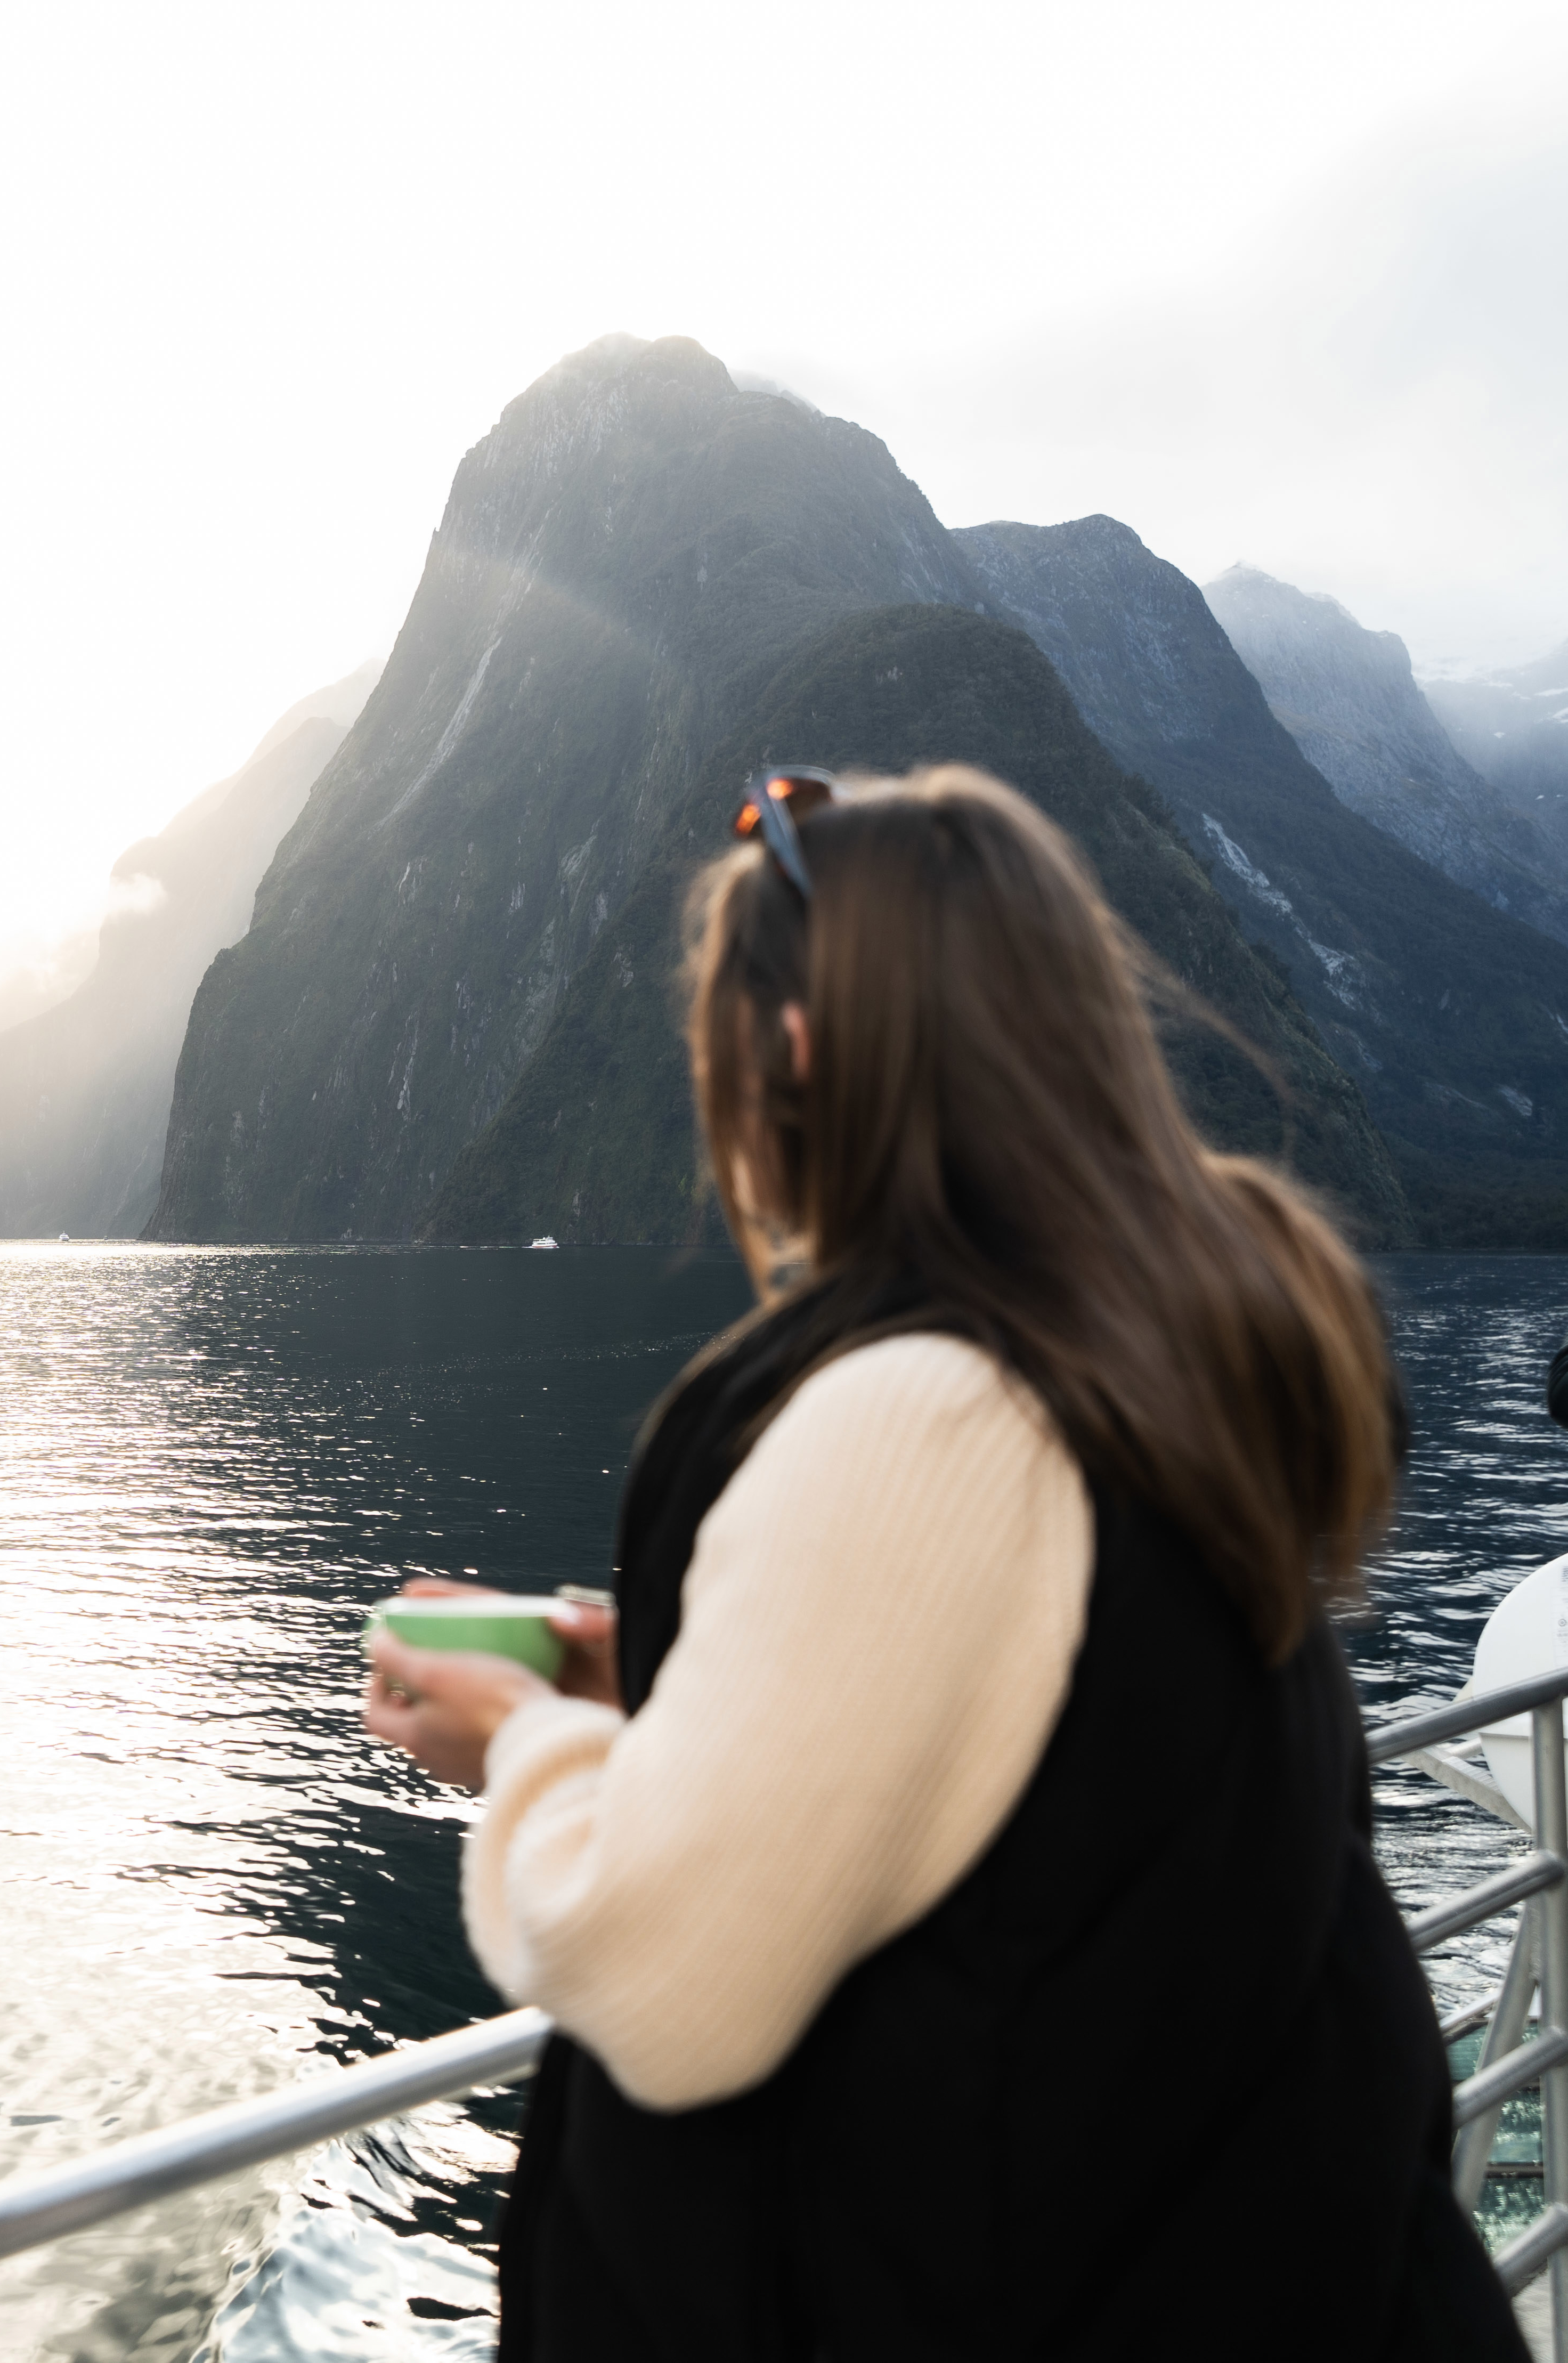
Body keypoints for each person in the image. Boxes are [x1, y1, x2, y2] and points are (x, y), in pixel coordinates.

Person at [361, 764, 1521, 2358]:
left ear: (796, 1048)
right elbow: (1054, 1756)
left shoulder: (921, 1410)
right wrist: (679, 1683)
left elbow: (665, 1981)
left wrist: (526, 1743)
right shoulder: (1163, 1371)